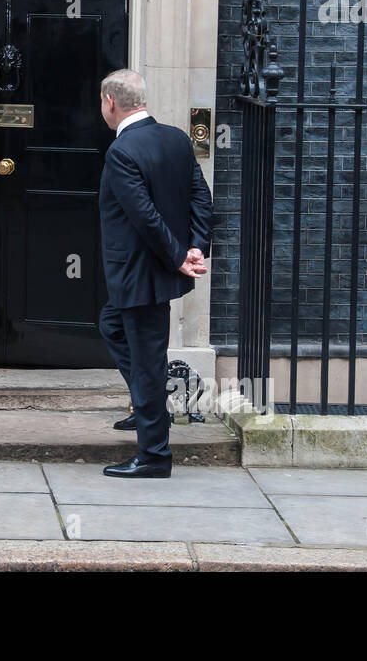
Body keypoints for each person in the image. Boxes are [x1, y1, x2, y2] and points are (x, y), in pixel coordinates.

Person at [96, 69, 212, 478]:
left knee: (147, 361)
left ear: (111, 102)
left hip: (140, 272)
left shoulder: (122, 151)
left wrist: (181, 255)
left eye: (102, 103)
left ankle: (154, 455)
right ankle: (149, 410)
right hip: (156, 270)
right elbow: (201, 194)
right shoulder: (176, 138)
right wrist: (196, 246)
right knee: (111, 325)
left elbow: (142, 215)